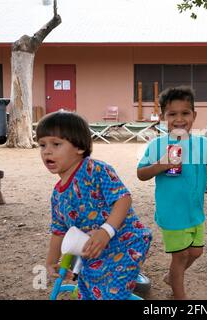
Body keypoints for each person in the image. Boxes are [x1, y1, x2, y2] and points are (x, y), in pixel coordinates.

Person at [137, 86, 207, 300]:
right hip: (172, 214)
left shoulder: (203, 144)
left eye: (185, 113)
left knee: (196, 252)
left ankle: (172, 276)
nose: (179, 119)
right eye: (172, 114)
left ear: (194, 115)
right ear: (163, 117)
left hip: (195, 212)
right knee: (180, 256)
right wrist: (160, 165)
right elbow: (141, 173)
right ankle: (179, 295)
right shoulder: (157, 145)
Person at [37, 111, 152, 300]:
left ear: (80, 147)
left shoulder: (95, 170)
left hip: (125, 243)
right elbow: (59, 231)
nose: (47, 151)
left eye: (56, 144)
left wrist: (106, 230)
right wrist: (51, 262)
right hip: (92, 252)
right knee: (87, 292)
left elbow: (123, 199)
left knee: (109, 294)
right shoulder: (58, 195)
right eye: (42, 145)